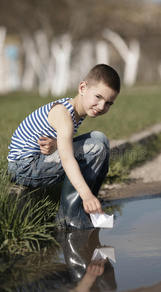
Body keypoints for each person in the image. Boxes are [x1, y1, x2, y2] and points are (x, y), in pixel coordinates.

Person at [7, 64, 121, 230]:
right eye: (98, 97)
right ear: (82, 87)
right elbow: (67, 158)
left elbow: (63, 141)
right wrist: (85, 193)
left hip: (36, 160)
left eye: (109, 103)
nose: (102, 106)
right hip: (24, 167)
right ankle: (69, 218)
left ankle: (88, 210)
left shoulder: (73, 109)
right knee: (94, 147)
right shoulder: (64, 113)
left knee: (99, 139)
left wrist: (55, 145)